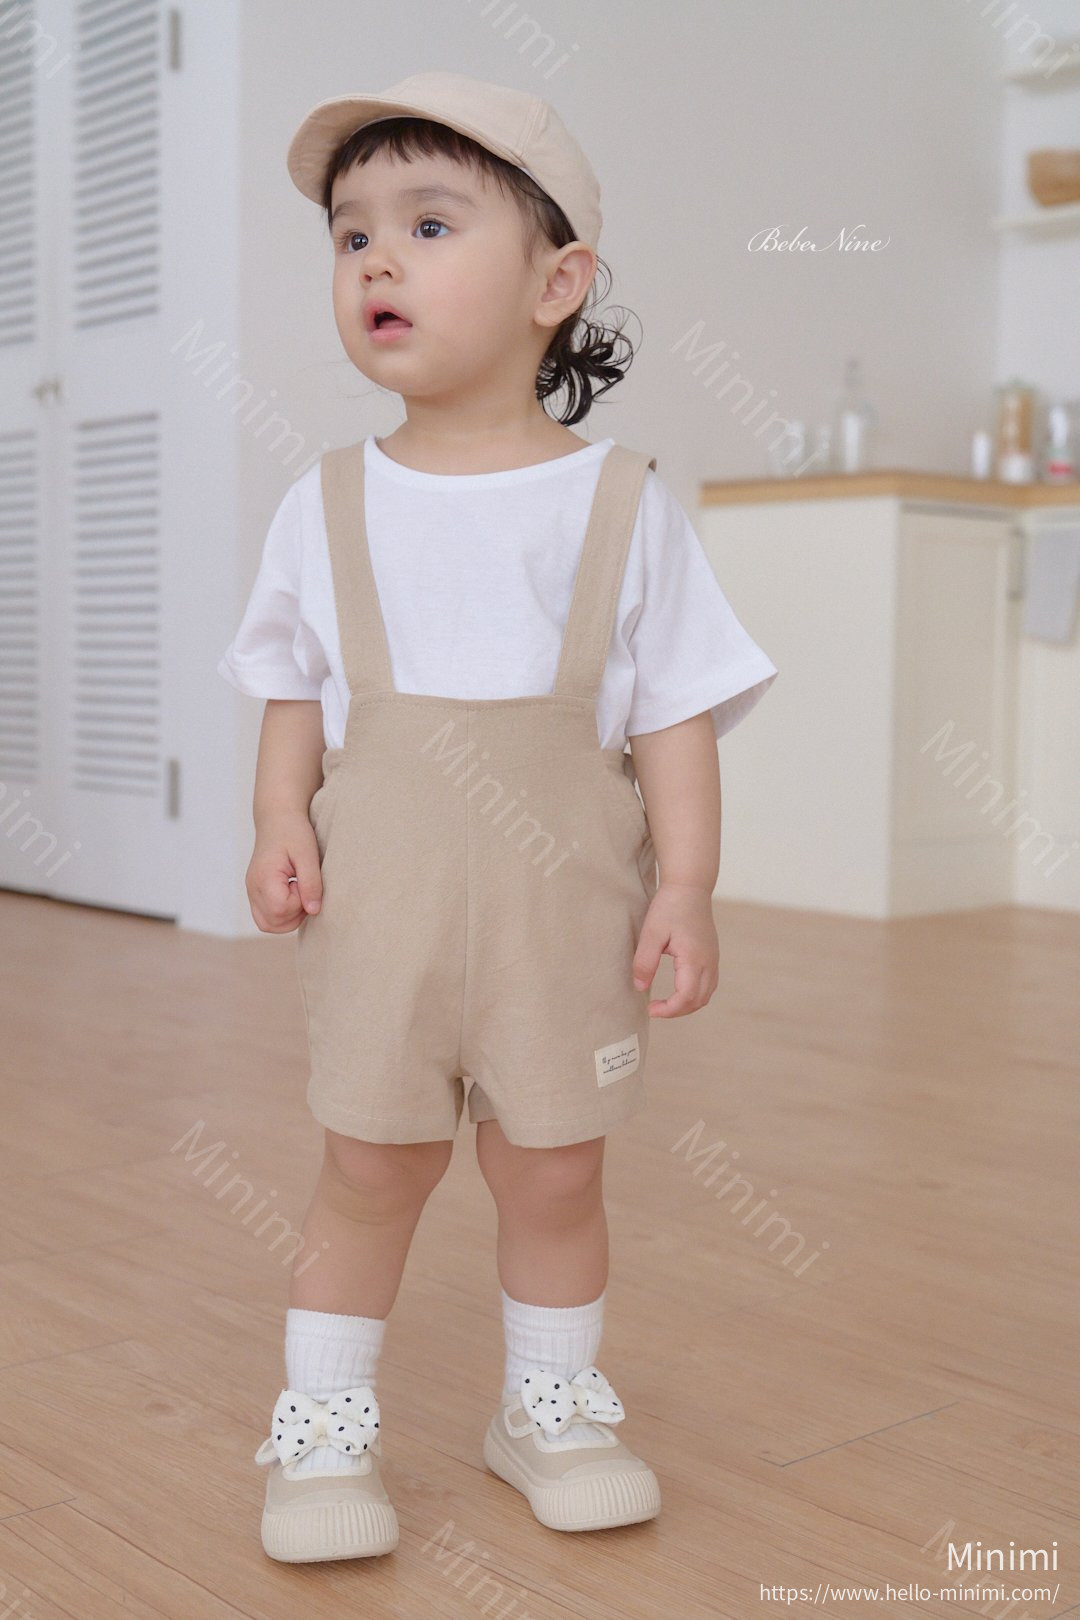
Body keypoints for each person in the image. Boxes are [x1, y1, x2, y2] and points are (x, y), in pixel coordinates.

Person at [218, 71, 778, 1564]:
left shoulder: (623, 502)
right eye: (351, 236)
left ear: (557, 284)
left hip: (563, 913)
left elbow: (674, 712)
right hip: (381, 911)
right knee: (370, 1165)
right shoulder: (326, 500)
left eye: (427, 224)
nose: (376, 260)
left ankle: (549, 1407)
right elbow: (294, 685)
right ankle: (325, 1432)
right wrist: (278, 815)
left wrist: (689, 885)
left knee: (556, 1165)